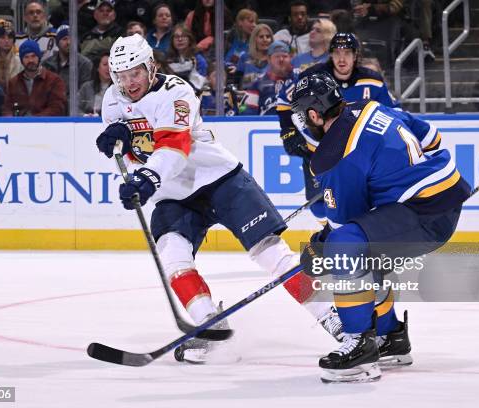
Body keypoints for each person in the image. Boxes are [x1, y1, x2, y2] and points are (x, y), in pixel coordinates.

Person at [95, 34, 342, 363]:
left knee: (272, 254)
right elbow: (127, 154)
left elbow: (174, 148)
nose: (129, 83)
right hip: (174, 196)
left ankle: (335, 319)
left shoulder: (177, 93)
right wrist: (124, 159)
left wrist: (146, 178)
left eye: (135, 73)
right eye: (121, 76)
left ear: (150, 67)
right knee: (173, 257)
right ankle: (210, 326)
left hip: (219, 179)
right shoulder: (113, 99)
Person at [291, 71, 470, 383]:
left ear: (313, 115)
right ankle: (391, 338)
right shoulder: (369, 106)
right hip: (440, 198)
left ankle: (359, 344)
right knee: (362, 252)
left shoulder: (333, 153)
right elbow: (431, 137)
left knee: (344, 247)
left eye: (303, 117)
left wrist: (317, 248)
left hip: (425, 212)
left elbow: (343, 226)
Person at [276, 32, 399, 221]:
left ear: (356, 55)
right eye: (337, 52)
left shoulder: (372, 80)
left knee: (358, 202)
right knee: (319, 207)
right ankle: (330, 233)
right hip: (318, 151)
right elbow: (284, 101)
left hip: (358, 154)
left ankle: (351, 239)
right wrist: (288, 131)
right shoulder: (313, 76)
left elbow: (392, 112)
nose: (342, 58)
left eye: (347, 53)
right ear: (330, 54)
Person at [2, 39, 66, 116]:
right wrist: (12, 121)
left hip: (45, 125)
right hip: (19, 126)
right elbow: (7, 108)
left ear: (39, 57)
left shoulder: (54, 80)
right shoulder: (14, 82)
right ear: (21, 60)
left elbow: (57, 108)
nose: (30, 60)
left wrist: (34, 121)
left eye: (33, 56)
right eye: (26, 57)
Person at [43, 24, 93, 113]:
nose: (68, 42)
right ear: (57, 43)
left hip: (76, 110)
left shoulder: (85, 64)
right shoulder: (47, 64)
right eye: (64, 39)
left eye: (71, 39)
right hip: (52, 109)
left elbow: (84, 93)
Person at [242, 41, 294, 115]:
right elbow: (246, 113)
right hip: (265, 125)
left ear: (290, 58)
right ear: (269, 59)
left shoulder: (299, 80)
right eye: (277, 56)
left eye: (285, 56)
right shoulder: (256, 83)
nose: (281, 59)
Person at [165, 24, 208, 92]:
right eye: (176, 37)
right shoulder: (167, 60)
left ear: (190, 39)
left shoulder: (198, 60)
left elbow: (197, 85)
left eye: (184, 36)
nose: (180, 39)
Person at [233, 23, 273, 89]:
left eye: (268, 37)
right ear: (254, 39)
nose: (265, 39)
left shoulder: (275, 59)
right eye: (261, 37)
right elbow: (237, 83)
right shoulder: (245, 58)